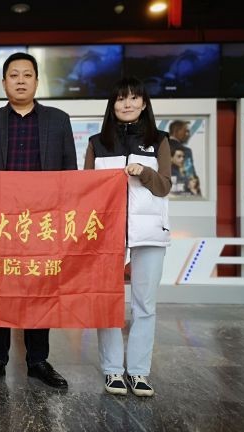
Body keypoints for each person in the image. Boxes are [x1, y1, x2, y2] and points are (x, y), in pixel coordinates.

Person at [0, 52, 77, 389]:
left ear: (36, 81)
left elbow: (70, 174)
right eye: (13, 75)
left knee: (40, 291)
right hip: (0, 225)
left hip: (42, 225)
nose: (20, 80)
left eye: (27, 74)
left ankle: (38, 361)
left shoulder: (58, 120)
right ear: (4, 83)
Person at [84, 77, 171, 397]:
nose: (128, 104)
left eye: (134, 98)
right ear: (113, 105)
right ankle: (112, 370)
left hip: (149, 234)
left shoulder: (159, 140)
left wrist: (143, 172)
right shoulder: (97, 142)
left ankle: (138, 372)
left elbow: (164, 186)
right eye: (121, 99)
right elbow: (86, 190)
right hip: (107, 235)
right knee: (108, 301)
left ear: (144, 104)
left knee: (144, 304)